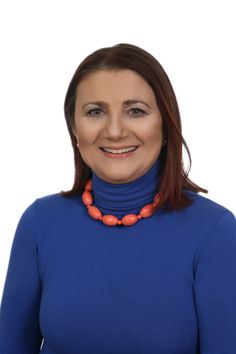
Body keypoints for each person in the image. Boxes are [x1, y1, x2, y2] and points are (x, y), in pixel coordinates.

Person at [0, 43, 235, 354]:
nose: (114, 131)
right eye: (95, 112)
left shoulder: (214, 231)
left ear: (165, 125)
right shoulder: (39, 222)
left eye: (135, 111)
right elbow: (11, 344)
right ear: (74, 127)